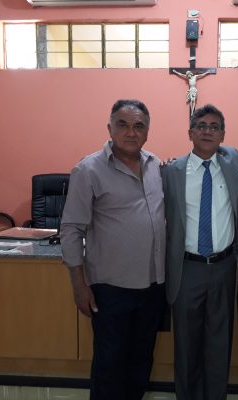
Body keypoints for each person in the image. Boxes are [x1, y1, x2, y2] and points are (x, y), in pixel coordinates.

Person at [60, 99, 166, 400]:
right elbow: (71, 229)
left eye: (139, 126)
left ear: (147, 131)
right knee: (110, 364)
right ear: (110, 129)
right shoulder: (88, 169)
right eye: (123, 125)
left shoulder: (156, 165)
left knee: (141, 361)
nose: (131, 132)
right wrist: (79, 285)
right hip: (110, 288)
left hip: (153, 285)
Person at [162, 104, 238, 400]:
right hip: (187, 268)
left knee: (220, 342)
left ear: (223, 134)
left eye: (214, 127)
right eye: (201, 126)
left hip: (224, 266)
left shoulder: (235, 162)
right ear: (190, 133)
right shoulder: (171, 171)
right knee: (186, 344)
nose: (207, 131)